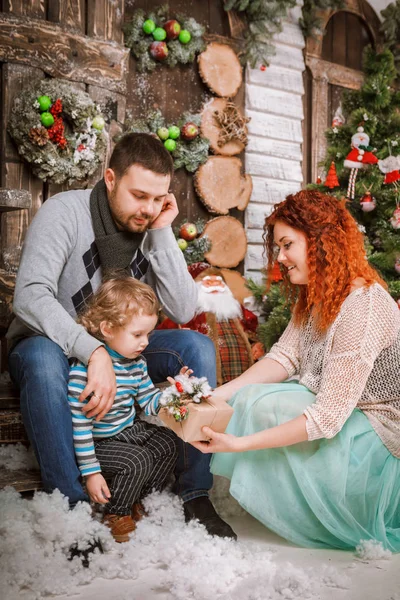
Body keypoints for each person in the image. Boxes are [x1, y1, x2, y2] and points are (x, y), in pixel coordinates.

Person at [7, 132, 236, 542]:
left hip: (123, 349)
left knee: (198, 346)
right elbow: (29, 295)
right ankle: (72, 509)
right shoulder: (65, 214)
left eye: (158, 199)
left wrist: (163, 232)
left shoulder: (152, 227)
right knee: (42, 362)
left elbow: (184, 308)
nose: (148, 209)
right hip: (54, 346)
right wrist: (91, 350)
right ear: (110, 178)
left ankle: (195, 493)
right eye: (139, 195)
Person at [192, 190, 400, 552]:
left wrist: (239, 445)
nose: (282, 258)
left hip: (379, 442)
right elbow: (283, 358)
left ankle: (326, 510)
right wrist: (218, 394)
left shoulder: (362, 303)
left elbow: (328, 418)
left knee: (272, 407)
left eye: (287, 245)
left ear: (321, 241)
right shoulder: (321, 295)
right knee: (255, 399)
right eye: (279, 247)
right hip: (350, 416)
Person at [69, 277, 184, 543]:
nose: (145, 342)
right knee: (137, 459)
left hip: (127, 429)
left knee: (167, 441)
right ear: (107, 329)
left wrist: (175, 394)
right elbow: (80, 425)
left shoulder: (137, 363)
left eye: (148, 334)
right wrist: (91, 472)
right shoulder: (84, 371)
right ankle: (116, 512)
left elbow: (149, 401)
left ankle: (138, 499)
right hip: (100, 442)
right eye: (137, 335)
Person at [158, 264, 258, 385]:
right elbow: (168, 333)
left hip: (242, 375)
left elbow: (253, 328)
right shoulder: (190, 315)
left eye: (218, 282)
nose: (215, 286)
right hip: (207, 377)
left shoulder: (236, 310)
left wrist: (257, 344)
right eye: (209, 283)